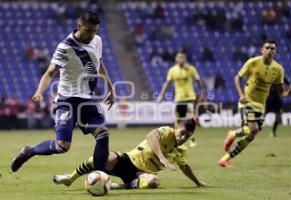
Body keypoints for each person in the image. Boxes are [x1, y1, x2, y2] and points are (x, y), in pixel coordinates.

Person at [11, 11, 115, 173]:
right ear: (79, 26)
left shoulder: (97, 41)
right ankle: (29, 152)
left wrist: (110, 87)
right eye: (88, 30)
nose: (92, 34)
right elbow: (50, 72)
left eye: (95, 31)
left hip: (87, 100)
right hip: (67, 100)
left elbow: (98, 64)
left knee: (103, 135)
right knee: (62, 146)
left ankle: (100, 175)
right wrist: (39, 91)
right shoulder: (65, 46)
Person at [53, 119, 206, 189]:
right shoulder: (167, 131)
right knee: (106, 157)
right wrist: (161, 157)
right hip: (129, 160)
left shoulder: (181, 151)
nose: (183, 137)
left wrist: (197, 182)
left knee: (154, 182)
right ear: (177, 127)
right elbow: (152, 136)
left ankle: (115, 186)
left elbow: (185, 167)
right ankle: (70, 178)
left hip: (140, 175)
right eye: (182, 133)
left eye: (187, 136)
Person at [218, 39, 291, 168]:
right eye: (267, 48)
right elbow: (237, 78)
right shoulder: (253, 62)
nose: (270, 50)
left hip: (261, 105)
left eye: (272, 49)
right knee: (253, 129)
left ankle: (225, 159)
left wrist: (289, 93)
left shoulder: (278, 69)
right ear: (262, 50)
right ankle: (232, 134)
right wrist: (241, 95)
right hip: (247, 101)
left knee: (251, 135)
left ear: (275, 52)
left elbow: (280, 92)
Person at [158, 52, 206, 147]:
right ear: (176, 59)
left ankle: (192, 138)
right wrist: (161, 94)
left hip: (190, 97)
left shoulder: (191, 69)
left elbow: (199, 81)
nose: (181, 59)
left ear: (185, 59)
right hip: (179, 98)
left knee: (190, 119)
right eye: (179, 57)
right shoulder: (172, 70)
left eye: (183, 57)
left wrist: (202, 93)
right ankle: (177, 138)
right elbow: (167, 83)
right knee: (179, 120)